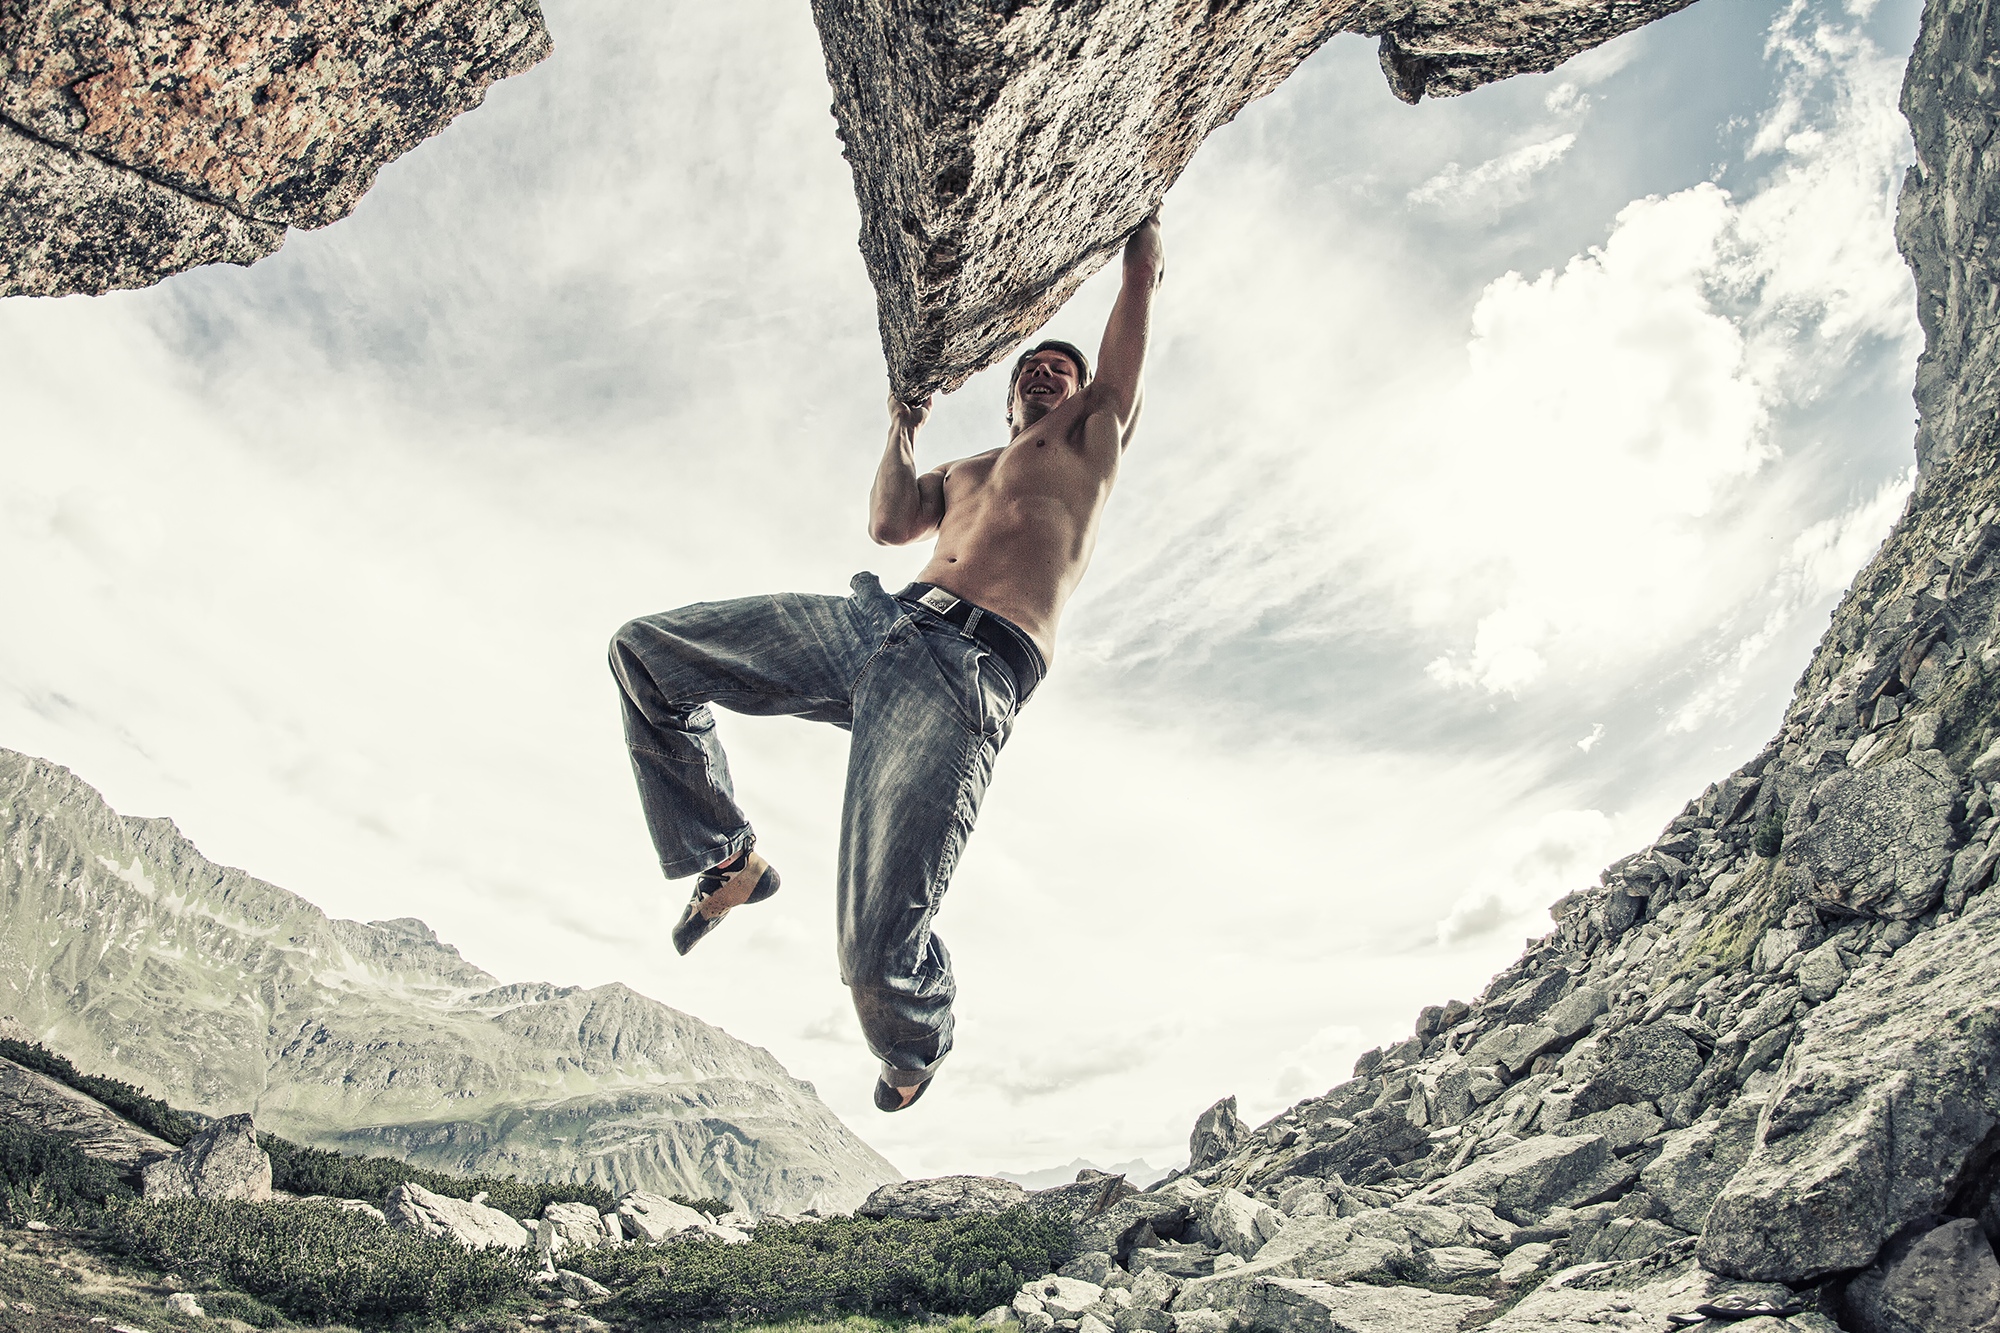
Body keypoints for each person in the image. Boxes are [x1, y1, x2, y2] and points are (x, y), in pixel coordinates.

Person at [608, 211, 1165, 1112]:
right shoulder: (970, 469)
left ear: (1084, 389)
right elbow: (888, 522)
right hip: (880, 625)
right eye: (1032, 366)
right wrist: (904, 425)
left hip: (963, 674)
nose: (1046, 371)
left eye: (1063, 367)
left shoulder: (1089, 446)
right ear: (1012, 390)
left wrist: (1143, 246)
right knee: (647, 653)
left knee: (871, 956)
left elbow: (1131, 322)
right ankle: (728, 857)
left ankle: (916, 1038)